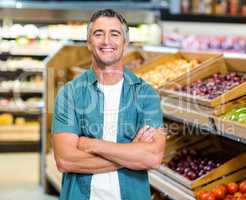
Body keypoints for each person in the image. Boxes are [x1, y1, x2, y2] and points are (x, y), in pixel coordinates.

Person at [52, 9, 166, 200]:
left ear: (125, 43)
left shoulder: (146, 94)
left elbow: (152, 157)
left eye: (115, 34)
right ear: (89, 43)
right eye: (98, 34)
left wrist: (91, 144)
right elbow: (65, 160)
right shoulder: (70, 93)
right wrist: (131, 154)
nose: (106, 41)